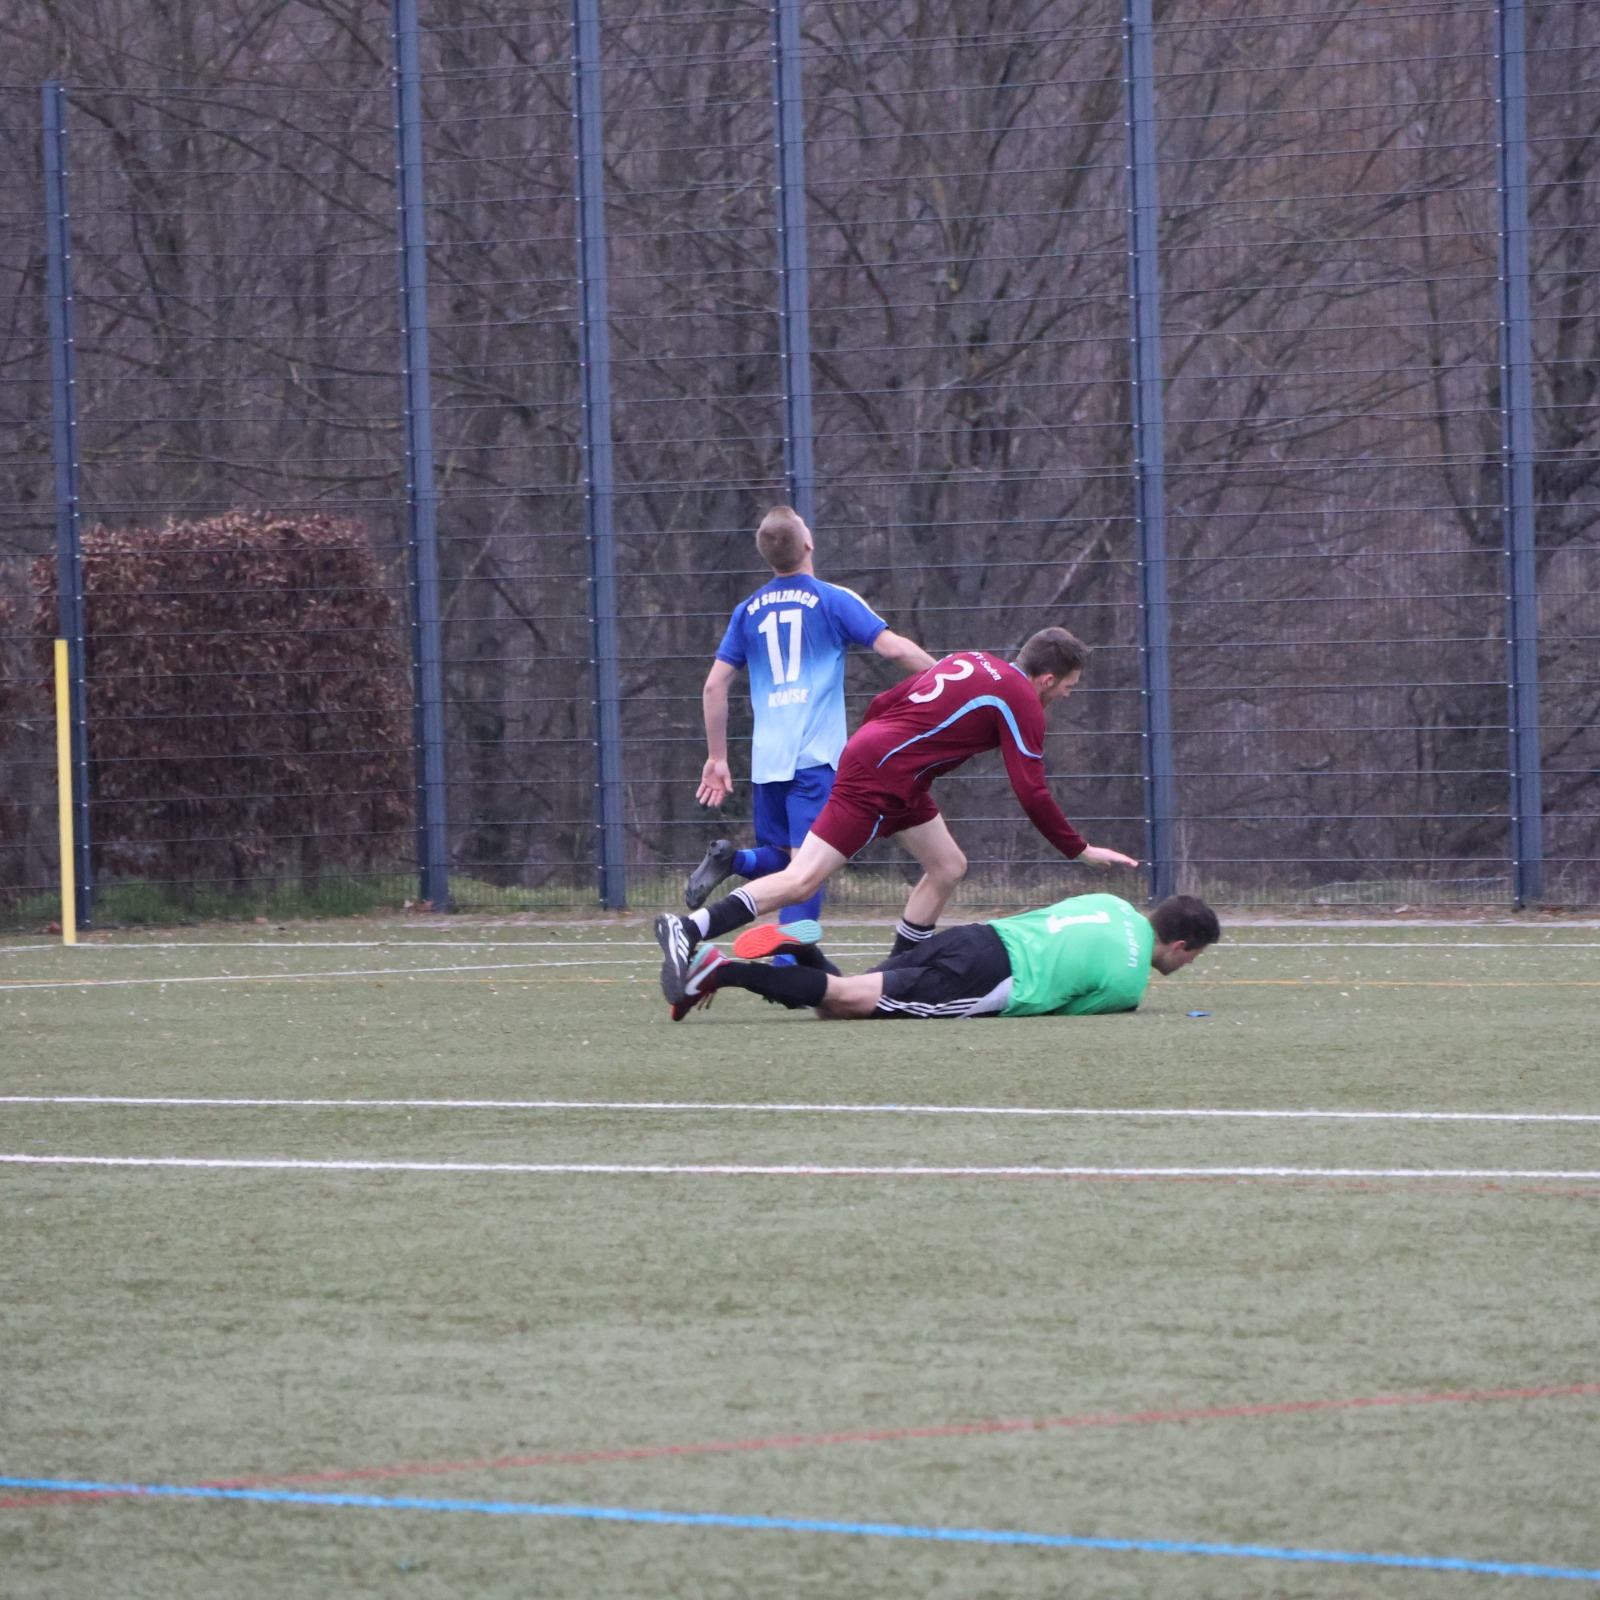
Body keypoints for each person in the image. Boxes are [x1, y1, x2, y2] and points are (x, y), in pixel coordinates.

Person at [657, 625, 1140, 1004]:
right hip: (884, 773)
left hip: (896, 771)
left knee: (947, 866)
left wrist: (886, 751)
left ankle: (895, 974)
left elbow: (884, 702)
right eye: (1068, 687)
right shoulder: (1021, 699)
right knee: (802, 880)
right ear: (1047, 679)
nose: (1067, 695)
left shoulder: (974, 660)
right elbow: (1031, 792)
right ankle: (689, 929)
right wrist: (1079, 849)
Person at [683, 505, 935, 958]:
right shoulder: (832, 599)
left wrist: (717, 757)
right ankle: (787, 967)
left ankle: (734, 860)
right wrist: (949, 676)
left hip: (768, 762)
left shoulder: (747, 610)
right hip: (815, 760)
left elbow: (714, 685)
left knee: (784, 862)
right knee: (808, 872)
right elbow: (895, 649)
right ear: (809, 543)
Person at [665, 893, 1219, 1022]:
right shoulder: (1129, 985)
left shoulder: (1113, 903)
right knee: (844, 1000)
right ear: (1179, 946)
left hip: (976, 937)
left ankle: (799, 945)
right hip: (991, 977)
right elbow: (1063, 1007)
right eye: (1193, 957)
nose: (1189, 965)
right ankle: (726, 970)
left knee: (841, 1004)